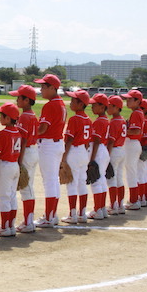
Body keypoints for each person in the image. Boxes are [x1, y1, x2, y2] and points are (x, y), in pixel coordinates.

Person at [34, 74, 67, 228]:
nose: (41, 90)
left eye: (44, 87)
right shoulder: (60, 103)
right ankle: (51, 215)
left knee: (49, 181)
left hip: (48, 144)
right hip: (57, 143)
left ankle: (49, 216)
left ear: (53, 88)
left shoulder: (50, 105)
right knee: (53, 180)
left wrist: (30, 132)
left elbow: (42, 129)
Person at [10, 85, 39, 233]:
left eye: (19, 97)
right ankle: (29, 220)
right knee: (29, 187)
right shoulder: (33, 115)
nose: (16, 100)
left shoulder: (24, 117)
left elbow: (23, 140)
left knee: (25, 187)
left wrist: (19, 161)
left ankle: (28, 222)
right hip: (33, 151)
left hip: (26, 153)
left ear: (27, 100)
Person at [61, 90, 92, 224]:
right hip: (83, 152)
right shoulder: (89, 120)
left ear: (81, 104)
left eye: (74, 101)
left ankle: (72, 214)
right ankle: (82, 214)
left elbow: (69, 140)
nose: (71, 103)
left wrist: (63, 158)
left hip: (73, 151)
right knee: (81, 183)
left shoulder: (74, 119)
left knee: (72, 184)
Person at [0, 102, 21, 237]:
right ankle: (11, 226)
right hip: (15, 165)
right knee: (12, 196)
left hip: (5, 166)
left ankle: (4, 227)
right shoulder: (18, 132)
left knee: (3, 197)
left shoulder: (2, 134)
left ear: (8, 119)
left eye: (1, 115)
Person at [87, 93, 110, 220]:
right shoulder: (106, 120)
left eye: (94, 105)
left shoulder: (99, 121)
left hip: (98, 150)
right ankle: (101, 209)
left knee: (95, 180)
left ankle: (97, 210)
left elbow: (96, 141)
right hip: (103, 150)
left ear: (102, 107)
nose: (91, 107)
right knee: (101, 180)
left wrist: (92, 159)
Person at [121, 89, 145, 210]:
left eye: (130, 99)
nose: (127, 101)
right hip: (133, 144)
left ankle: (134, 200)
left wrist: (122, 131)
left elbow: (136, 131)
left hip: (132, 143)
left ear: (137, 101)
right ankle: (135, 199)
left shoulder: (136, 113)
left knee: (131, 172)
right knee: (132, 171)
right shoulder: (137, 112)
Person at [106, 95, 127, 215]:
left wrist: (107, 156)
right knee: (119, 178)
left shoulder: (114, 122)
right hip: (122, 149)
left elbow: (111, 141)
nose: (107, 108)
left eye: (110, 106)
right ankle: (120, 205)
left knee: (112, 179)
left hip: (114, 151)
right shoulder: (122, 119)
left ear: (116, 107)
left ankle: (113, 206)